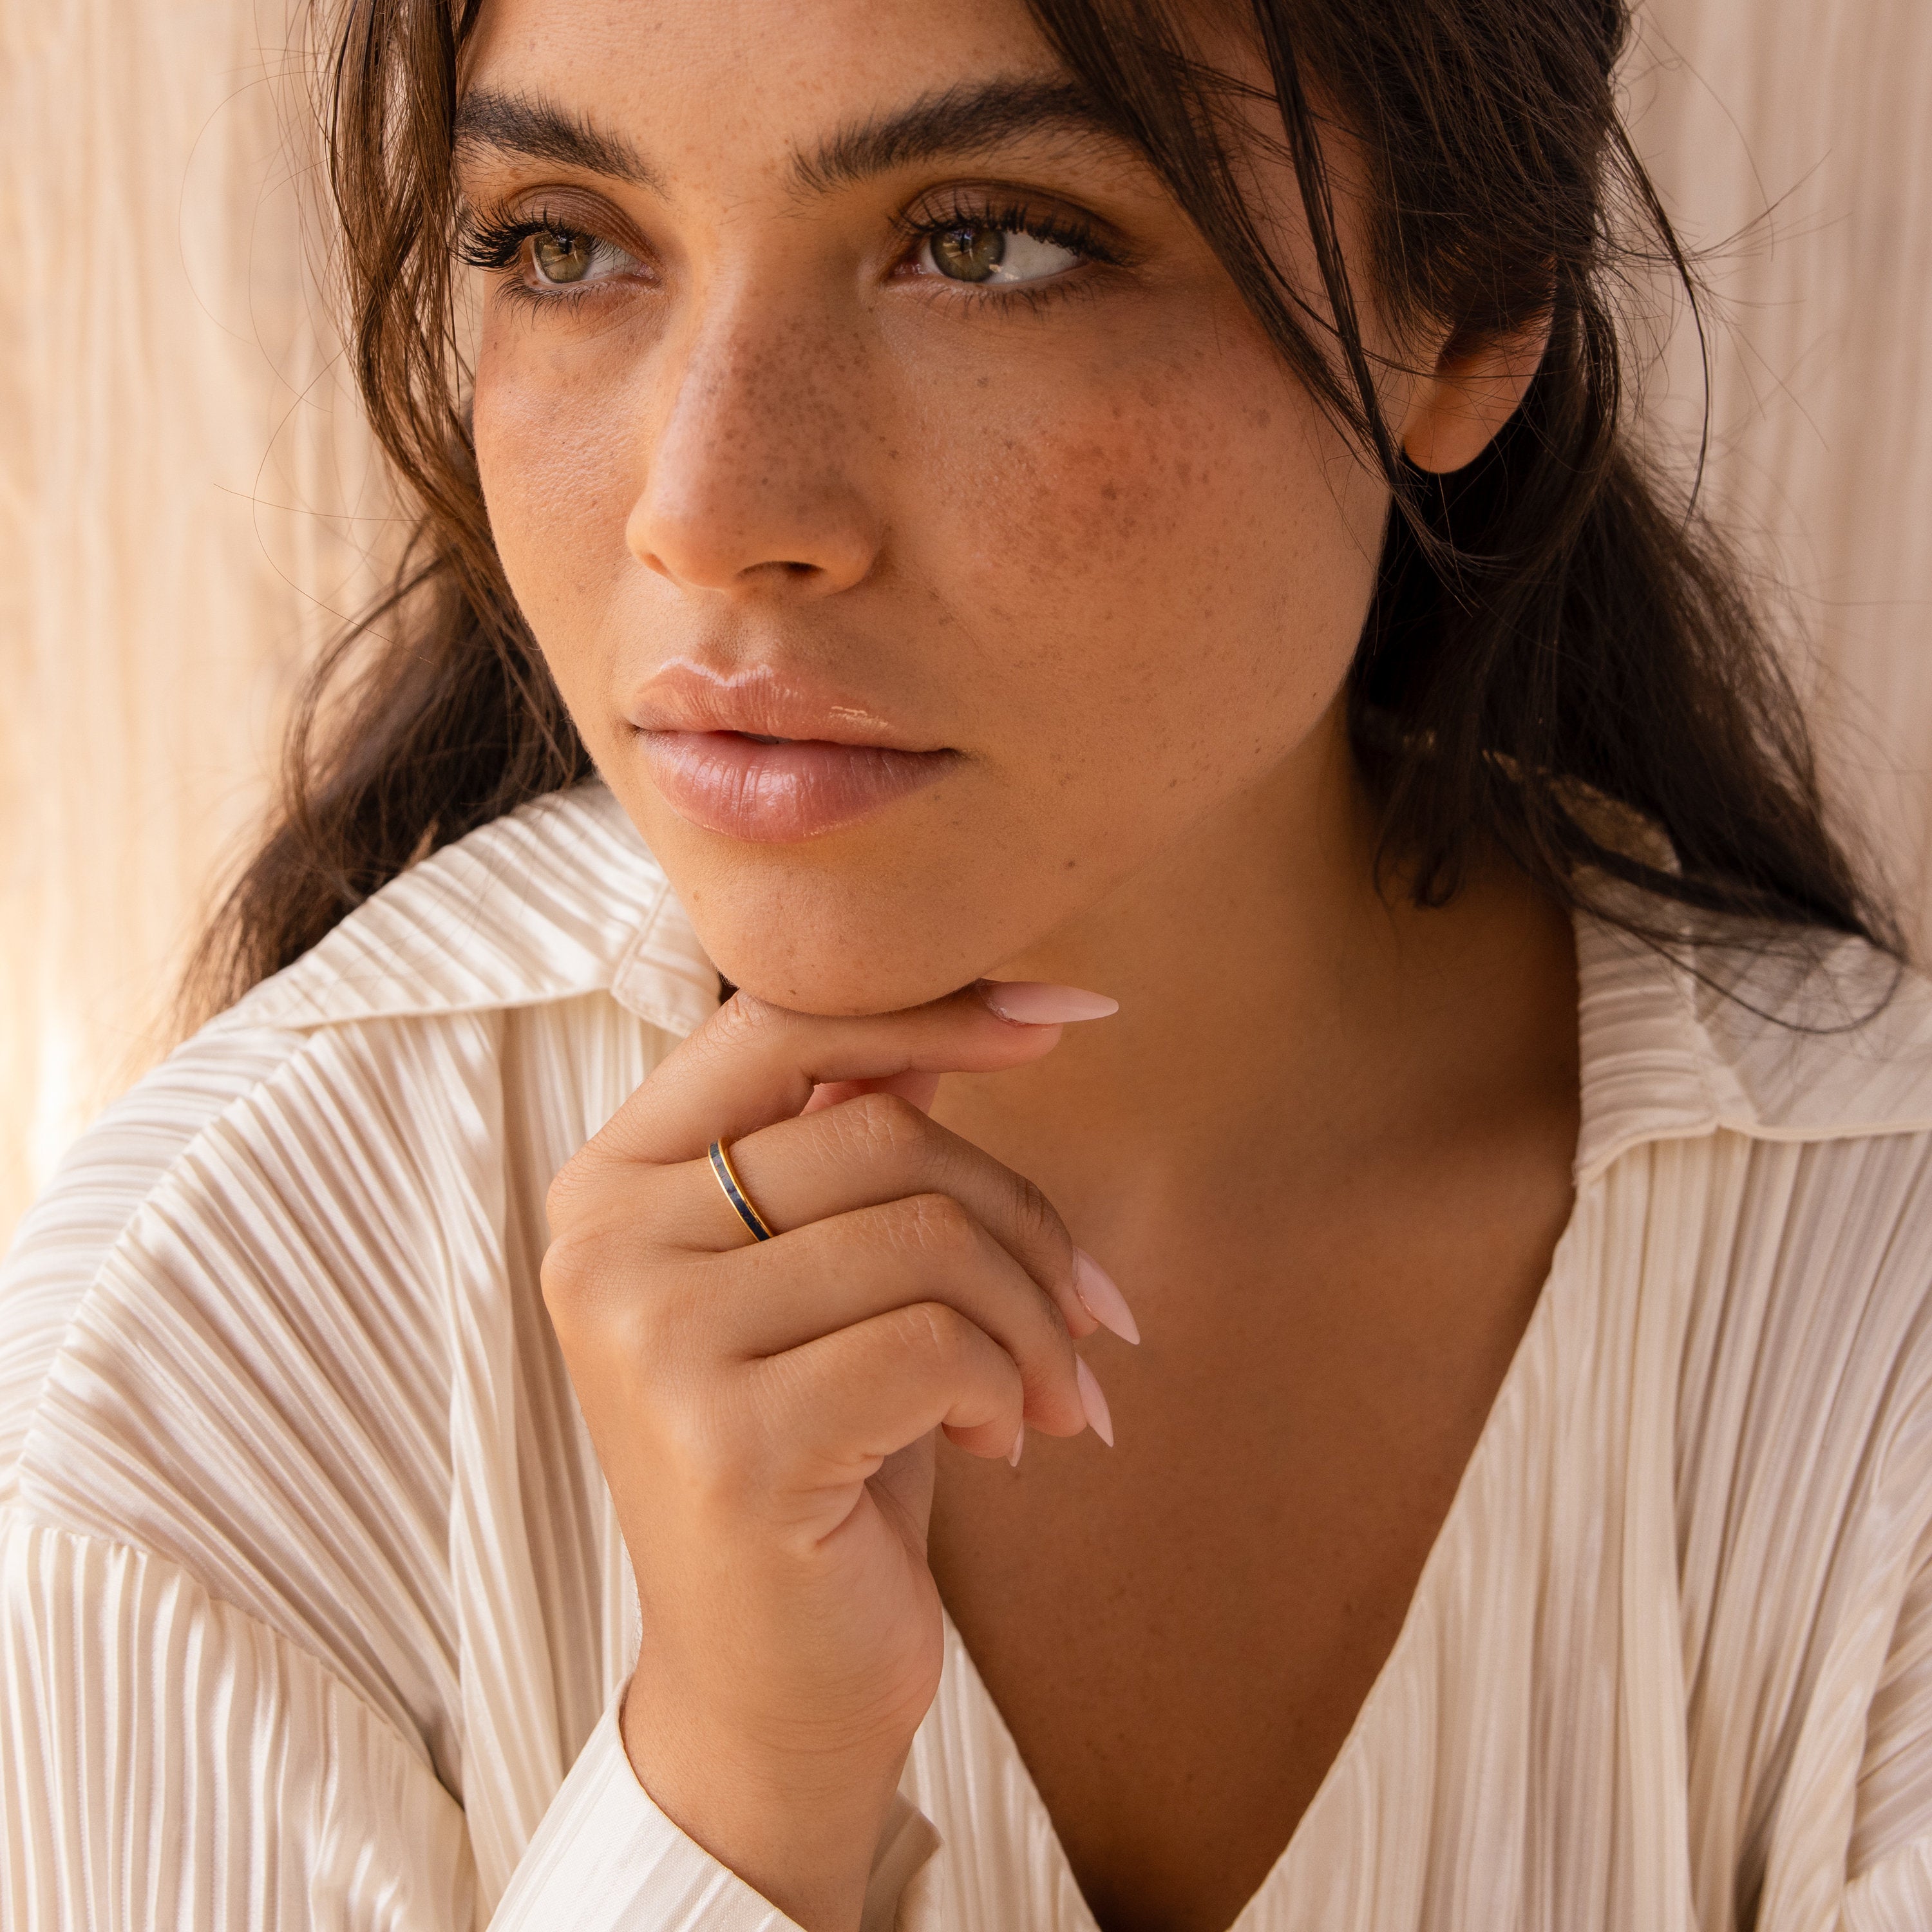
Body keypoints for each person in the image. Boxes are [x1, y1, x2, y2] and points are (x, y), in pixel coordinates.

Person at [6, 0, 1932, 1926]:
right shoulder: (190, 1367)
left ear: (1477, 306)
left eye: (991, 240)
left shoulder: (1877, 1303)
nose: (708, 508)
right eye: (564, 244)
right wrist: (734, 1789)